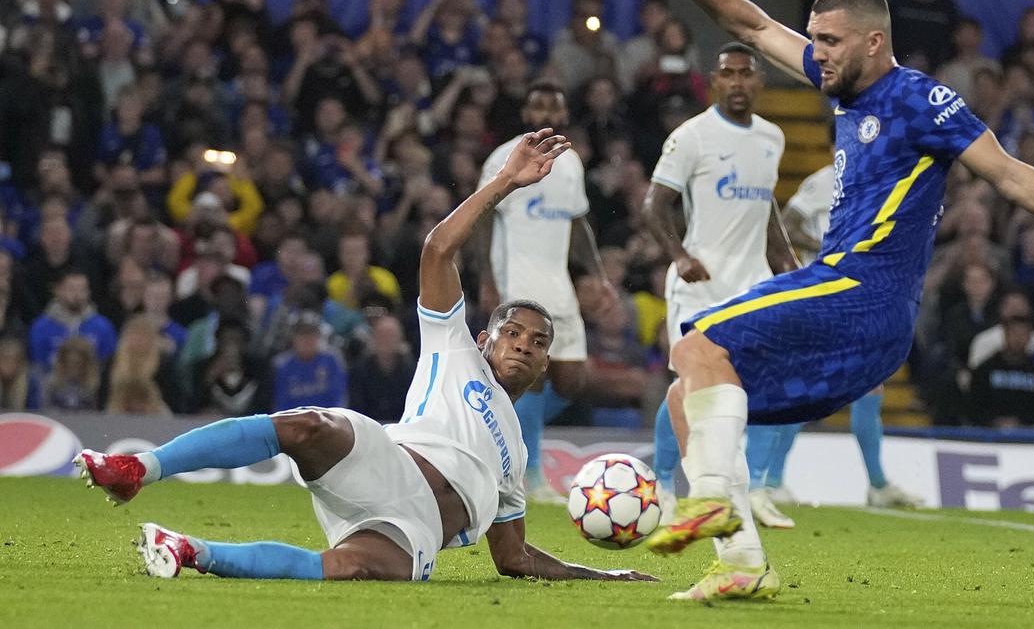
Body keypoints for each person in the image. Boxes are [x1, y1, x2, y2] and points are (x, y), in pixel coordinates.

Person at [616, 0, 1034, 601]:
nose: (814, 53)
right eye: (813, 39)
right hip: (853, 304)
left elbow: (1010, 174)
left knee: (695, 345)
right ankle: (741, 563)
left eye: (829, 41)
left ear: (873, 42)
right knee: (689, 393)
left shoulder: (917, 98)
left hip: (863, 290)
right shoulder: (840, 84)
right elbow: (757, 27)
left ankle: (706, 500)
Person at [75, 128, 656, 586]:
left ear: (546, 364)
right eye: (514, 333)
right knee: (309, 424)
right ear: (486, 340)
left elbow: (515, 558)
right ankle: (137, 470)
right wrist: (503, 182)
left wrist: (599, 573)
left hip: (415, 528)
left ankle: (190, 552)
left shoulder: (516, 454)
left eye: (538, 343)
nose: (525, 345)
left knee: (352, 568)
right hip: (387, 462)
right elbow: (437, 248)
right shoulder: (455, 348)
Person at [642, 41, 801, 527]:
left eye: (745, 74)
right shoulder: (692, 137)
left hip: (750, 285)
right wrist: (679, 255)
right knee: (687, 387)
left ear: (759, 82)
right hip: (698, 285)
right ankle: (663, 485)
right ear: (714, 81)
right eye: (727, 73)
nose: (737, 82)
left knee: (760, 389)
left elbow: (765, 209)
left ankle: (750, 490)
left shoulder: (772, 138)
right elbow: (654, 205)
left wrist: (790, 269)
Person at [478, 82, 617, 501]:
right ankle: (530, 474)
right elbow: (483, 215)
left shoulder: (570, 162)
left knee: (573, 380)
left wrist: (597, 273)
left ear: (562, 115)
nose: (544, 116)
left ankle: (498, 426)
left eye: (552, 109)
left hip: (558, 284)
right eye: (537, 107)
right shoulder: (503, 158)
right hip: (517, 283)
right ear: (526, 113)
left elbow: (577, 223)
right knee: (532, 379)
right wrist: (486, 277)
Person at [781, 164, 925, 508]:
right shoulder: (823, 180)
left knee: (870, 385)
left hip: (859, 296)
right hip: (822, 295)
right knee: (805, 384)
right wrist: (828, 247)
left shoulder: (881, 181)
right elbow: (788, 224)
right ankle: (769, 481)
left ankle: (877, 485)